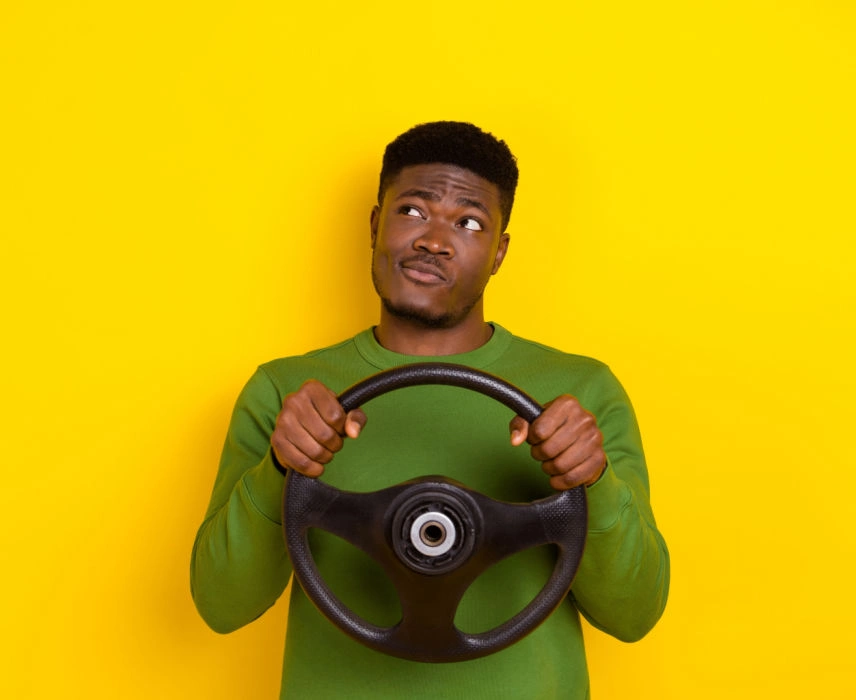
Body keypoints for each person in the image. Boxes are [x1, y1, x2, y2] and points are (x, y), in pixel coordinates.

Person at [191, 121, 669, 698]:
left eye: (469, 223)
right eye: (413, 211)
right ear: (375, 226)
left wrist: (590, 479)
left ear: (499, 253)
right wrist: (280, 466)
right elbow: (222, 605)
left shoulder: (581, 394)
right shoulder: (288, 395)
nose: (434, 241)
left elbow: (635, 613)